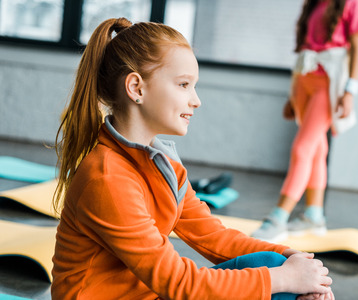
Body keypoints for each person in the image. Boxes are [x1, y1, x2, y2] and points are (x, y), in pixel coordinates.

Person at [51, 18, 335, 299]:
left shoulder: (163, 165)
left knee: (278, 269)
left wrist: (291, 259)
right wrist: (285, 279)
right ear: (137, 88)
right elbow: (178, 283)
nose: (196, 100)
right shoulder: (106, 179)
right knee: (279, 278)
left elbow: (213, 237)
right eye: (184, 84)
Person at [252, 0, 358, 242]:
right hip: (304, 80)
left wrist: (350, 91)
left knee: (302, 148)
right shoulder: (314, 3)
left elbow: (357, 47)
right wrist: (291, 96)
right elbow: (305, 49)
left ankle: (279, 217)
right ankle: (314, 217)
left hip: (327, 83)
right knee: (316, 149)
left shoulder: (352, 3)